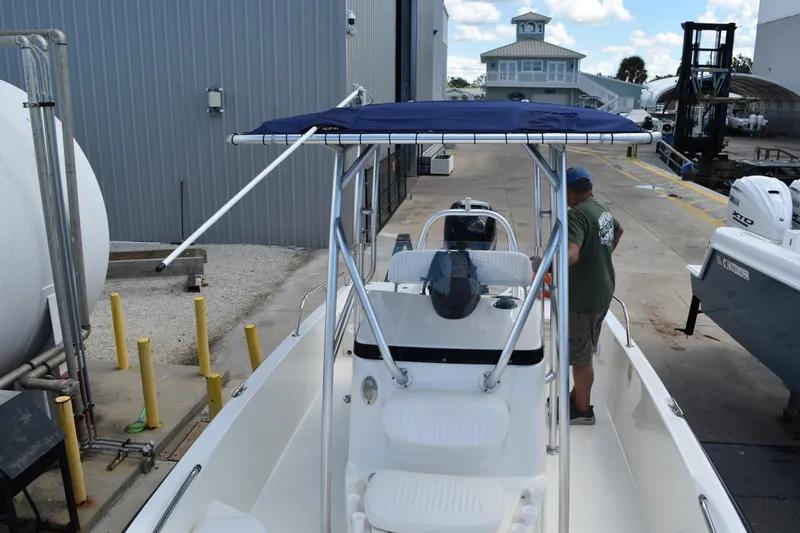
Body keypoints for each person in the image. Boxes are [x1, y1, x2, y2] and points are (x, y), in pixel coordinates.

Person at [565, 166, 623, 425]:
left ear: (568, 191)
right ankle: (577, 396)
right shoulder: (602, 209)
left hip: (582, 298)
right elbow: (619, 232)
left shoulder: (576, 215)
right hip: (603, 291)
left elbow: (572, 253)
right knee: (586, 348)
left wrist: (547, 264)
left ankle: (582, 410)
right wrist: (602, 256)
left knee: (580, 357)